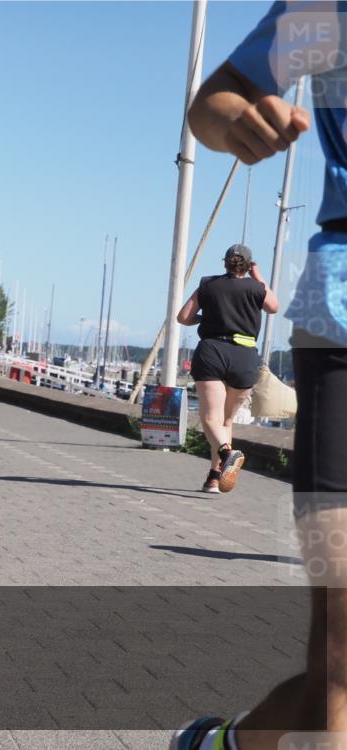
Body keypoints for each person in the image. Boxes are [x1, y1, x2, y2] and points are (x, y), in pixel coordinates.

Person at [179, 5, 347, 748]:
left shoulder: (225, 283)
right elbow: (214, 102)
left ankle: (231, 743)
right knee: (343, 668)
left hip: (234, 355)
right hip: (343, 319)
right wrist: (237, 124)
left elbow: (193, 312)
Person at [176, 243, 278, 494]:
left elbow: (184, 317)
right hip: (244, 356)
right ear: (249, 264)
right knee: (225, 421)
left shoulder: (208, 284)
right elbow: (274, 306)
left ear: (225, 262)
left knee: (210, 418)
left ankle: (227, 453)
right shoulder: (256, 288)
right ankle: (214, 476)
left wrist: (205, 318)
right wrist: (258, 276)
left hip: (213, 351)